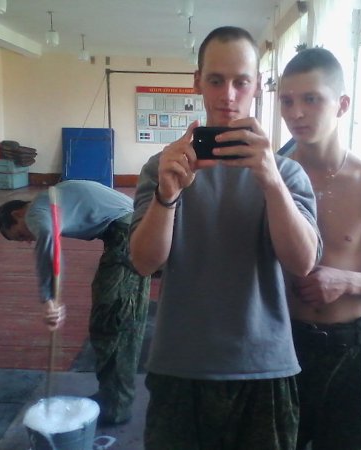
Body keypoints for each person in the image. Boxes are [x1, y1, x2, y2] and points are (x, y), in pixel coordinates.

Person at [129, 26, 321, 450]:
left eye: (241, 82)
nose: (228, 95)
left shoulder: (287, 174)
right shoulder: (163, 168)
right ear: (197, 81)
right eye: (216, 80)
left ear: (257, 86)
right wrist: (167, 195)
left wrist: (271, 181)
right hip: (181, 364)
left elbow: (302, 262)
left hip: (265, 366)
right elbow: (144, 262)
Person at [278, 48, 361, 449]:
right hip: (281, 345)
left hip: (350, 351)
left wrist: (347, 281)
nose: (296, 113)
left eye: (311, 99)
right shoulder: (271, 178)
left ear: (341, 105)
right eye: (287, 100)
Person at [0, 179, 150, 426]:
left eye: (21, 235)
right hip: (136, 227)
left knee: (112, 320)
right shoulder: (53, 197)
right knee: (121, 316)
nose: (28, 240)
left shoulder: (35, 210)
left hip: (126, 234)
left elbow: (48, 239)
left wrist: (48, 298)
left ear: (17, 213)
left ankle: (115, 406)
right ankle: (113, 397)